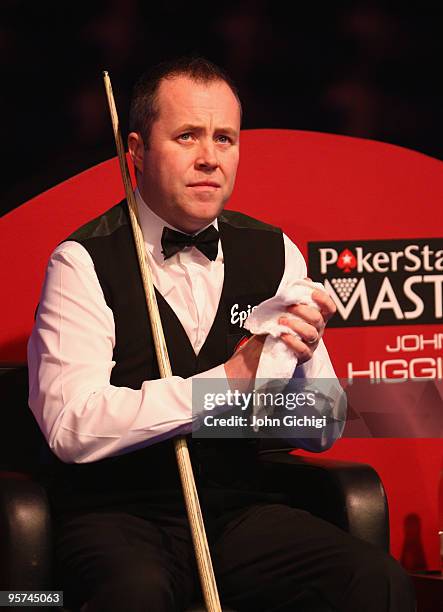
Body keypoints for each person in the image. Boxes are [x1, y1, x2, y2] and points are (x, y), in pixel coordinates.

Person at [28, 57, 414, 611]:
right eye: (187, 136)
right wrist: (230, 381)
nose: (210, 157)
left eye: (225, 139)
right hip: (119, 518)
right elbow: (72, 426)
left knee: (374, 581)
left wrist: (301, 368)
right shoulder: (83, 261)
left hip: (235, 514)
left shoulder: (273, 252)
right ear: (135, 151)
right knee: (133, 594)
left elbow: (323, 429)